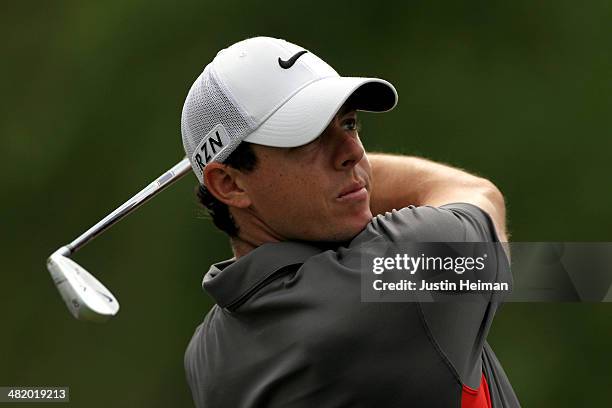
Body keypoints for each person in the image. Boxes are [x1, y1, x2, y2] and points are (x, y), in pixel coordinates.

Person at [181, 36, 520, 407]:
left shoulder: (206, 355)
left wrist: (327, 177)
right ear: (228, 183)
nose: (354, 151)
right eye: (306, 138)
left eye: (348, 124)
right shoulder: (397, 278)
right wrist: (352, 178)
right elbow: (475, 193)